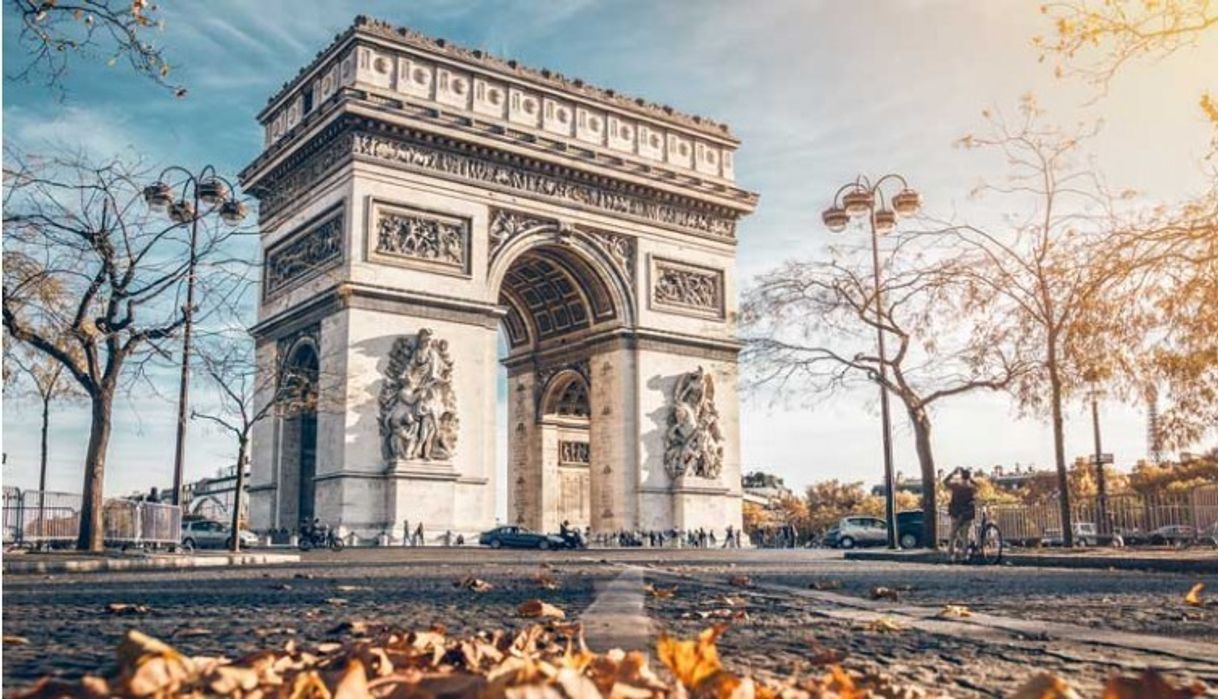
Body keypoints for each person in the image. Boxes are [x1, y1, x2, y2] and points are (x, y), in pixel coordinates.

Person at [944, 467, 978, 562]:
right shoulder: (971, 488)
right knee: (965, 536)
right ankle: (964, 556)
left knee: (953, 535)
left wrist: (953, 473)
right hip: (967, 514)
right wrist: (970, 479)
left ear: (961, 477)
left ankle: (950, 556)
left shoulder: (956, 486)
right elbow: (979, 486)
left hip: (956, 513)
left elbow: (945, 482)